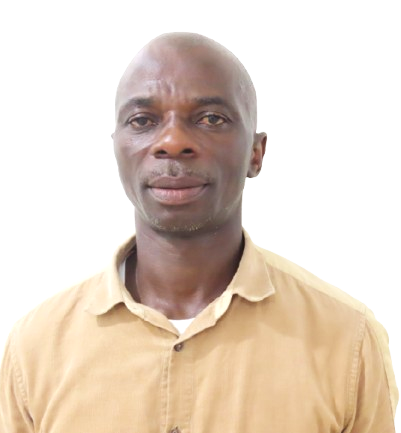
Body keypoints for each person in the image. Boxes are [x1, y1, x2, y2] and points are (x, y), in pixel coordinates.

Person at [0, 32, 398, 433]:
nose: (172, 142)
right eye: (143, 121)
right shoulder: (34, 348)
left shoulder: (348, 340)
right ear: (116, 147)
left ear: (256, 153)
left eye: (211, 119)